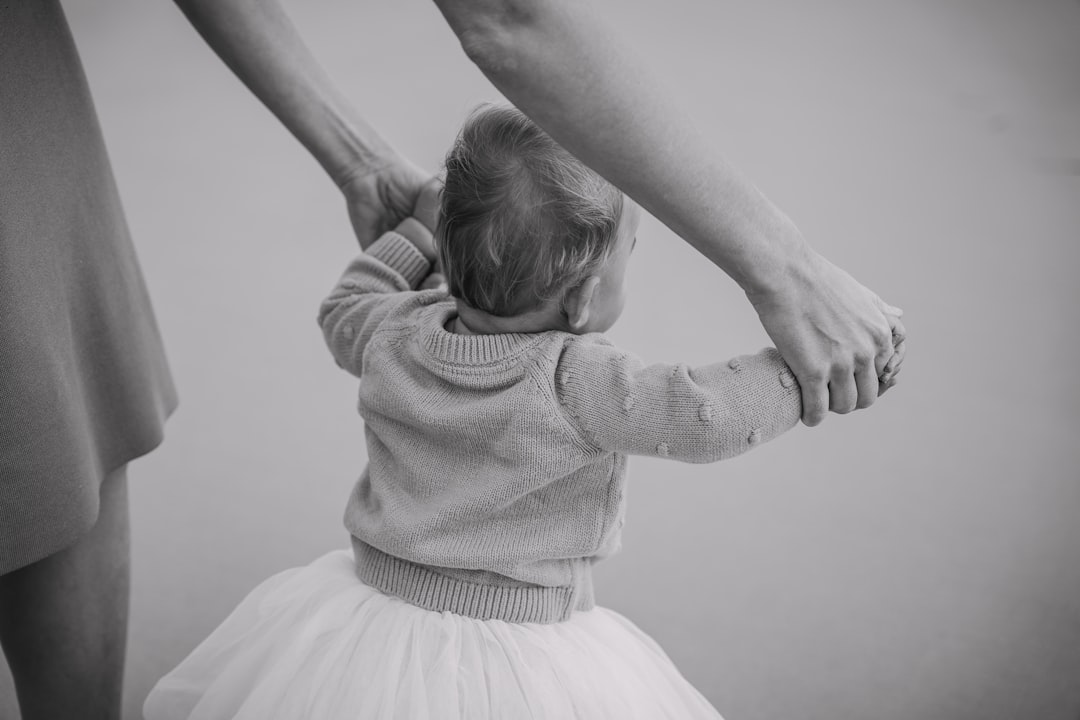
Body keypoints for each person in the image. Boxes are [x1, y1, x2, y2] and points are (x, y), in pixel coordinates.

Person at [1, 1, 902, 718]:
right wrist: (800, 372)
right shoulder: (580, 384)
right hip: (526, 652)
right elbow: (703, 415)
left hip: (366, 625)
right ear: (581, 303)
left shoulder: (394, 333)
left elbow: (341, 307)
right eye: (632, 249)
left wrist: (416, 234)